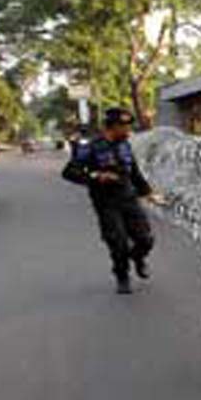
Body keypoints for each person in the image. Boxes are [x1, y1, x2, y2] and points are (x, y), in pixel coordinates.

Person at [65, 107, 155, 294]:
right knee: (118, 242)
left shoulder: (125, 145)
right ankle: (122, 276)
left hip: (129, 198)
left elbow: (134, 172)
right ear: (113, 127)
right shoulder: (90, 147)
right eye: (125, 127)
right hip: (106, 202)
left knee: (145, 239)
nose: (129, 131)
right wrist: (96, 176)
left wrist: (148, 192)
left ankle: (137, 258)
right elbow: (69, 172)